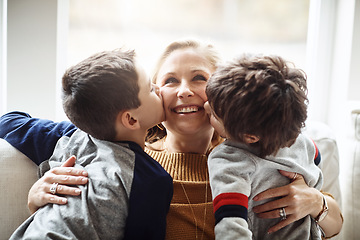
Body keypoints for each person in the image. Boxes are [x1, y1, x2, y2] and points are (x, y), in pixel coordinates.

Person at [0, 39, 343, 239]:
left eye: (198, 78)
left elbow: (334, 226)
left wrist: (317, 203)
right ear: (145, 102)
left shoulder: (259, 153)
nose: (183, 92)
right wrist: (40, 194)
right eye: (167, 81)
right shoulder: (124, 154)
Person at [9, 49, 173, 239]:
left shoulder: (69, 137)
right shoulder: (151, 179)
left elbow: (8, 121)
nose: (158, 88)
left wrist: (89, 120)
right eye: (150, 89)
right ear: (131, 119)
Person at [204, 54, 324, 239]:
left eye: (213, 114)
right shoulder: (304, 143)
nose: (205, 106)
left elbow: (231, 226)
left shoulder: (228, 159)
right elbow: (316, 159)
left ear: (249, 137)